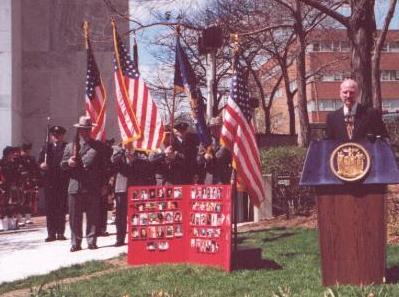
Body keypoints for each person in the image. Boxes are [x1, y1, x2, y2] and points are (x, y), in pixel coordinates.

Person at [61, 116, 107, 252]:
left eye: (87, 130)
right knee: (74, 217)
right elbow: (62, 164)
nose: (84, 132)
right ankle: (76, 242)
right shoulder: (71, 146)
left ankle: (91, 241)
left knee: (92, 215)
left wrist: (104, 184)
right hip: (75, 186)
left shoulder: (98, 146)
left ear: (90, 130)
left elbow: (104, 168)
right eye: (82, 130)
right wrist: (68, 163)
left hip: (92, 186)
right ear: (79, 130)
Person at [110, 142, 153, 246]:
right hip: (122, 187)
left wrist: (135, 160)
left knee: (138, 213)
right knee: (120, 215)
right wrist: (123, 152)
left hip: (136, 186)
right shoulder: (117, 149)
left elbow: (148, 163)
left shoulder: (140, 149)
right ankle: (120, 239)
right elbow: (112, 160)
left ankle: (138, 236)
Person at [38, 125, 69, 242]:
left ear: (62, 136)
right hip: (49, 183)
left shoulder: (67, 147)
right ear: (51, 136)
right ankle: (51, 233)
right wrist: (42, 165)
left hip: (62, 182)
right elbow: (39, 162)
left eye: (59, 135)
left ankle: (60, 232)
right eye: (54, 135)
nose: (56, 137)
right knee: (50, 209)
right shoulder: (46, 148)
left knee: (61, 208)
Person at [197, 115, 232, 184]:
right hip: (209, 177)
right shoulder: (205, 142)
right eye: (213, 127)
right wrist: (204, 157)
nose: (215, 130)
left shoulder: (227, 142)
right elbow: (198, 159)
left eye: (218, 127)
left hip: (224, 177)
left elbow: (233, 162)